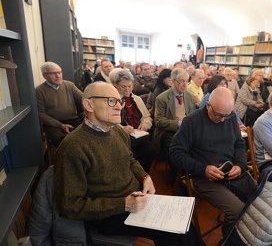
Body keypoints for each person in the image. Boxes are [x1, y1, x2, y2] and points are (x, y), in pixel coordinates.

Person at [54, 82, 204, 246]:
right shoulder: (73, 147)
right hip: (110, 214)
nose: (119, 107)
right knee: (177, 230)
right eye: (111, 101)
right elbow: (70, 206)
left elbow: (129, 159)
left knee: (182, 223)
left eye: (119, 101)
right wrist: (123, 204)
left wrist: (145, 176)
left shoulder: (117, 131)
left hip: (135, 199)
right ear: (88, 104)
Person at [170, 87, 248, 237]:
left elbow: (239, 144)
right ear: (208, 106)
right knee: (238, 211)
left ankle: (236, 234)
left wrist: (240, 165)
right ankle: (229, 239)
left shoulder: (229, 116)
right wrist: (203, 169)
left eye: (227, 115)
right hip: (205, 177)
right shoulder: (192, 122)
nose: (223, 119)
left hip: (230, 171)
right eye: (219, 115)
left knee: (257, 200)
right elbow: (175, 153)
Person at [114, 69, 156, 173]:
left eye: (130, 86)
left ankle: (144, 175)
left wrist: (144, 125)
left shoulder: (137, 99)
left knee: (151, 150)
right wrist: (123, 128)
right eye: (123, 87)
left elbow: (147, 117)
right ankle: (132, 179)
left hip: (138, 134)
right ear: (116, 86)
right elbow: (109, 123)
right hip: (122, 137)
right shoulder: (113, 100)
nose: (127, 89)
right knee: (133, 155)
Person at [35, 61, 83, 147]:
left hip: (74, 120)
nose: (58, 76)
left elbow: (83, 99)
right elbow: (40, 113)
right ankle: (66, 158)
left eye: (59, 72)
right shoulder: (39, 91)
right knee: (60, 140)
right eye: (53, 73)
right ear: (44, 76)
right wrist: (60, 125)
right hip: (54, 124)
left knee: (85, 135)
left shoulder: (69, 85)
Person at [153, 68, 196, 154]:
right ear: (172, 81)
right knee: (180, 142)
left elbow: (193, 116)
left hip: (186, 129)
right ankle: (176, 165)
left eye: (187, 81)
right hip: (168, 131)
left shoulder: (190, 96)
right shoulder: (162, 98)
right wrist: (179, 123)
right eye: (182, 81)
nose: (185, 85)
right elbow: (159, 121)